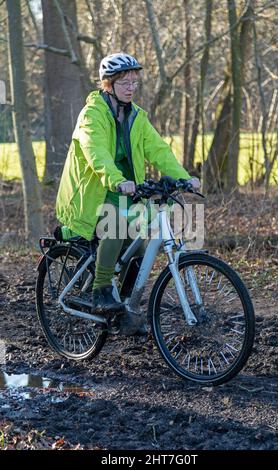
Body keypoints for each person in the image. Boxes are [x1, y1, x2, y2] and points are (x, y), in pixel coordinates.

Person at [56, 52, 200, 329]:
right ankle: (101, 290)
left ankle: (121, 309)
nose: (132, 87)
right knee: (117, 223)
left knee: (143, 244)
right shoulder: (92, 114)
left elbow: (159, 150)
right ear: (108, 85)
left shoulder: (136, 117)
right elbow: (95, 151)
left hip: (124, 194)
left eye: (135, 82)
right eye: (125, 82)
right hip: (92, 193)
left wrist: (184, 178)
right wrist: (115, 179)